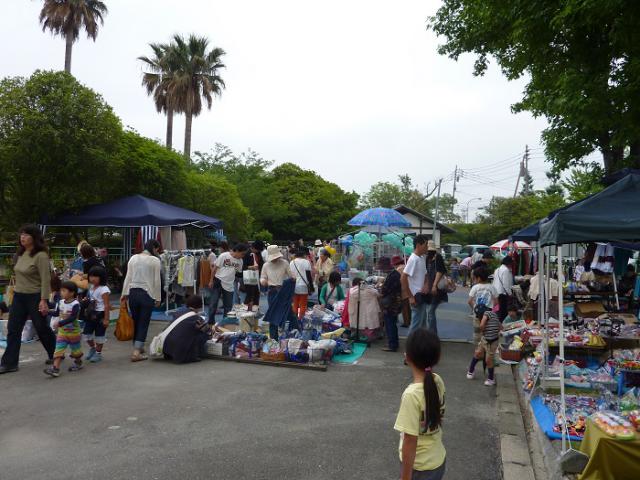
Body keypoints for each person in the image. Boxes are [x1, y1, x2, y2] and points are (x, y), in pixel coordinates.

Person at [0, 225, 56, 375]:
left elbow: (46, 279)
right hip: (19, 296)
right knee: (13, 329)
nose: (22, 237)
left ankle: (55, 353)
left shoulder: (41, 255)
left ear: (34, 237)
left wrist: (44, 300)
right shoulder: (20, 254)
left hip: (35, 296)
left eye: (26, 235)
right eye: (21, 234)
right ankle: (9, 363)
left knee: (41, 328)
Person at [394, 329, 446, 480]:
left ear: (407, 357)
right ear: (438, 357)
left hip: (419, 468)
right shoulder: (438, 381)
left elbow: (410, 440)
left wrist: (405, 477)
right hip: (438, 459)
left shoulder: (411, 395)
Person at [121, 239, 162, 362]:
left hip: (133, 292)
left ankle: (138, 346)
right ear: (154, 248)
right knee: (143, 323)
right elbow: (157, 281)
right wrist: (158, 297)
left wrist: (124, 293)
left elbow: (128, 276)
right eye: (157, 249)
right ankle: (136, 351)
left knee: (136, 321)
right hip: (147, 294)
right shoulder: (155, 260)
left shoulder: (133, 258)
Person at [44, 281, 83, 377]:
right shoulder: (60, 302)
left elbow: (73, 317)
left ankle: (78, 362)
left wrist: (60, 323)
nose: (61, 292)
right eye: (61, 290)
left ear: (72, 293)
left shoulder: (75, 304)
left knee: (76, 352)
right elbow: (57, 313)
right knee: (59, 350)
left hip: (74, 333)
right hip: (62, 332)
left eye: (64, 291)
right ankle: (55, 369)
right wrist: (47, 312)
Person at [162, 295, 210, 364]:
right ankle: (193, 355)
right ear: (199, 306)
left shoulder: (179, 311)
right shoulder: (195, 317)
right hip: (180, 351)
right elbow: (208, 331)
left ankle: (170, 353)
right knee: (203, 335)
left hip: (166, 347)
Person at [261, 245, 295, 339]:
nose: (275, 259)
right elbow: (263, 277)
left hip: (283, 291)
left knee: (290, 314)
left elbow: (291, 275)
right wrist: (263, 281)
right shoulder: (266, 265)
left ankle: (293, 336)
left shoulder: (284, 263)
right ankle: (273, 339)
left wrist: (293, 278)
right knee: (273, 316)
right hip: (272, 291)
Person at [208, 243, 248, 323]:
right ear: (236, 251)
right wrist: (211, 280)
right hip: (218, 280)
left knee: (228, 306)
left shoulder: (240, 261)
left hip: (229, 284)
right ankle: (210, 322)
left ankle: (225, 324)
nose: (242, 256)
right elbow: (215, 268)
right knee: (213, 303)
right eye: (242, 254)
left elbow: (238, 273)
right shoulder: (224, 255)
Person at [466, 302, 502, 386]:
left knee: (488, 360)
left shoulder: (487, 313)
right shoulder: (493, 315)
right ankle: (471, 370)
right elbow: (500, 326)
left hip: (492, 341)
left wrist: (481, 328)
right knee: (478, 353)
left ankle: (491, 379)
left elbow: (482, 325)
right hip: (485, 339)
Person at [401, 234, 429, 334]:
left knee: (422, 324)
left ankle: (421, 347)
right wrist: (410, 297)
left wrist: (426, 284)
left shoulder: (421, 258)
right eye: (425, 245)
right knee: (416, 325)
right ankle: (409, 348)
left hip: (422, 296)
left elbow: (425, 274)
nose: (427, 248)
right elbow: (403, 278)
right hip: (416, 298)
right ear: (418, 245)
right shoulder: (413, 259)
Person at [82, 266, 111, 364]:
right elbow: (89, 298)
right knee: (87, 333)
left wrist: (106, 319)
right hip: (90, 314)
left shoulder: (104, 289)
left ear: (101, 277)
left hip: (100, 314)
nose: (92, 278)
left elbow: (107, 305)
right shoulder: (90, 287)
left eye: (96, 276)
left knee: (99, 335)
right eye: (91, 276)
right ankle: (92, 348)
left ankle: (98, 353)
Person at [467, 267, 498, 346]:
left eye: (475, 278)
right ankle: (485, 349)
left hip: (477, 315)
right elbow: (496, 302)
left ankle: (478, 349)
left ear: (479, 278)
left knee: (477, 332)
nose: (474, 280)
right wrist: (491, 311)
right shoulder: (492, 287)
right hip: (488, 315)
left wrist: (475, 309)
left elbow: (470, 301)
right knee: (487, 332)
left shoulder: (475, 287)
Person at [423, 241, 448, 335]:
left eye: (429, 250)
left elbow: (440, 271)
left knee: (430, 311)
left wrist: (434, 285)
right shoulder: (426, 258)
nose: (428, 252)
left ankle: (432, 334)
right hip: (429, 288)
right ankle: (432, 333)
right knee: (429, 312)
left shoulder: (438, 257)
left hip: (436, 288)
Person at [381, 256, 404, 352]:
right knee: (392, 323)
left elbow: (386, 290)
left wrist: (381, 289)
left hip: (391, 304)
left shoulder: (392, 275)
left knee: (390, 323)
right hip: (396, 302)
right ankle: (393, 343)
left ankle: (392, 345)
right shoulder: (395, 274)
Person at [290, 247, 314, 319]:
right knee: (303, 305)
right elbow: (309, 276)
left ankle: (294, 321)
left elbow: (290, 275)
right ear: (303, 255)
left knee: (295, 304)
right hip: (304, 286)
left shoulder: (292, 262)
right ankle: (300, 320)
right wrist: (311, 286)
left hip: (294, 285)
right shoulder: (306, 262)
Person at [244, 241, 265, 312]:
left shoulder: (258, 253)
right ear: (253, 248)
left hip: (257, 276)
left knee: (257, 293)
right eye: (257, 249)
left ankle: (255, 310)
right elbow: (243, 266)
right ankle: (247, 311)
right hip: (248, 276)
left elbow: (261, 263)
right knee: (249, 294)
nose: (258, 251)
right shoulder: (246, 254)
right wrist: (251, 267)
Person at [493, 256, 514, 321]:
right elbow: (506, 284)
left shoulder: (497, 269)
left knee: (498, 311)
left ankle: (498, 324)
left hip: (496, 292)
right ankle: (502, 326)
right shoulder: (506, 270)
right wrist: (510, 293)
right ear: (509, 263)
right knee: (503, 311)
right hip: (502, 294)